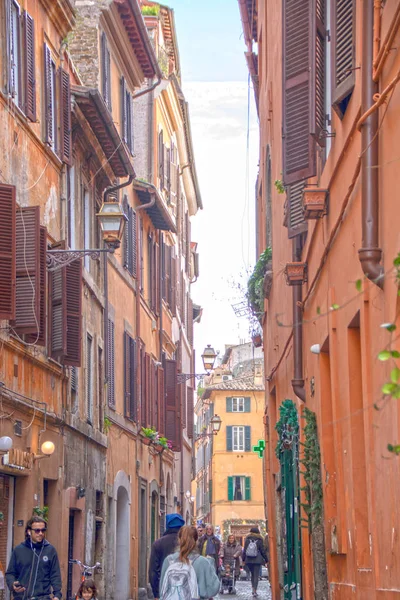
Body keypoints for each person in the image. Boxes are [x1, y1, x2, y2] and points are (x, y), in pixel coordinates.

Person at [6, 515, 62, 600]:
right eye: (37, 531)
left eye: (43, 530)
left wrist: (57, 595)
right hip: (21, 597)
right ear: (29, 531)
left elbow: (55, 575)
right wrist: (12, 584)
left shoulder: (50, 550)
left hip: (43, 597)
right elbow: (10, 573)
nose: (40, 533)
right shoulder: (18, 550)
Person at [160, 525, 220, 600]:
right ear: (196, 540)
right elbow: (213, 588)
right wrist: (210, 562)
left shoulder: (168, 560)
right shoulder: (202, 562)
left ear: (179, 539)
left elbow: (162, 589)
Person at [149, 513, 185, 599]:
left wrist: (156, 594)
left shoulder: (158, 544)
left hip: (164, 589)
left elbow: (153, 571)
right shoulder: (186, 543)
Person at [242, 527, 268, 597]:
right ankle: (255, 590)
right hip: (257, 560)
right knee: (256, 575)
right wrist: (266, 559)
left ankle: (253, 588)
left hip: (249, 560)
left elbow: (244, 550)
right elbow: (262, 550)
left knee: (252, 574)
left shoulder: (247, 539)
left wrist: (243, 559)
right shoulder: (260, 539)